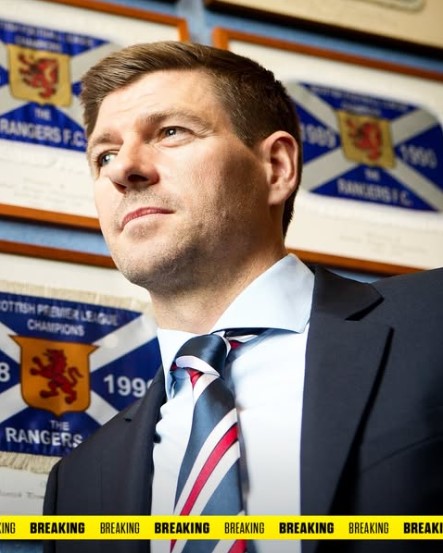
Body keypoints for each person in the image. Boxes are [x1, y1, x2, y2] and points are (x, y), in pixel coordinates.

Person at [43, 41, 443, 553]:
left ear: (276, 167)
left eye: (170, 132)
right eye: (105, 155)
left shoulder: (433, 321)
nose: (124, 169)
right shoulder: (77, 485)